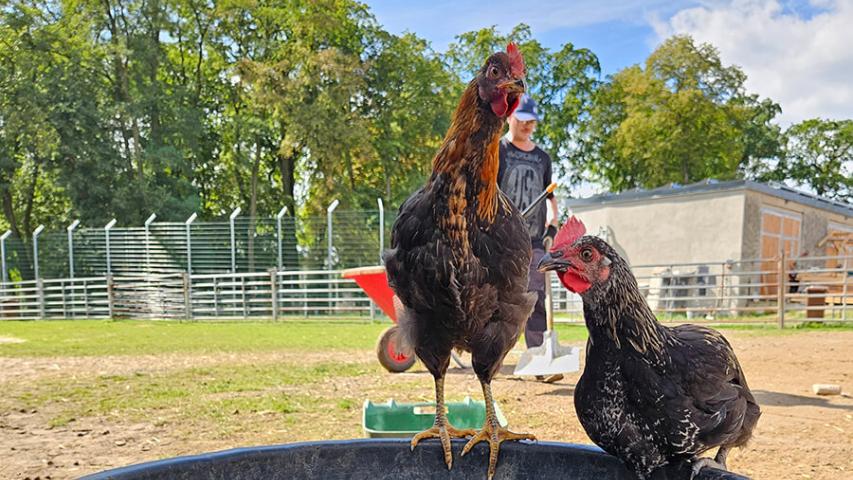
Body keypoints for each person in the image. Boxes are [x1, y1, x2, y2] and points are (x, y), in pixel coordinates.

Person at [497, 94, 561, 382]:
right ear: (511, 117)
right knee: (496, 298)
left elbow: (550, 197)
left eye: (531, 121)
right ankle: (491, 359)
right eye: (522, 119)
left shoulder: (542, 157)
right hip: (499, 237)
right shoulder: (498, 150)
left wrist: (553, 225)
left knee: (535, 296)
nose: (527, 125)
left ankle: (539, 362)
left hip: (533, 240)